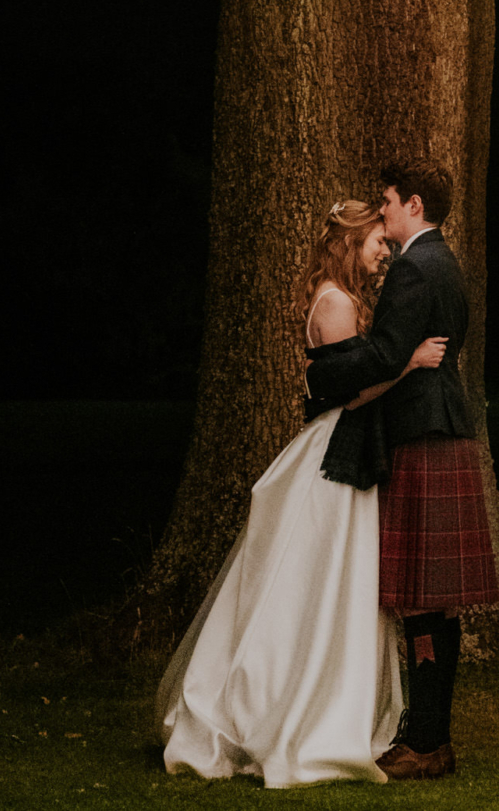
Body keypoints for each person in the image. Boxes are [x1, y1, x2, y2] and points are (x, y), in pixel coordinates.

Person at [157, 200, 448, 787]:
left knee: (329, 584)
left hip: (346, 447)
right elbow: (350, 393)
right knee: (321, 583)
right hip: (336, 449)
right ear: (351, 241)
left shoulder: (338, 296)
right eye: (374, 244)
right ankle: (294, 711)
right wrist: (410, 363)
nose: (382, 254)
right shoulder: (336, 303)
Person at [305, 159, 499, 781]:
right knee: (435, 604)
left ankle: (425, 742)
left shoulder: (415, 268)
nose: (382, 211)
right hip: (442, 429)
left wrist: (321, 375)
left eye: (388, 201)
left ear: (413, 204)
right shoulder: (445, 263)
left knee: (422, 600)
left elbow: (389, 354)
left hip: (420, 432)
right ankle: (430, 736)